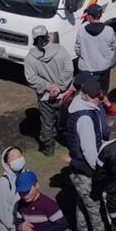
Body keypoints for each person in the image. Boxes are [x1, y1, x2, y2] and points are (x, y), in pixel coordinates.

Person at [63, 77, 110, 231]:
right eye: (93, 97)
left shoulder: (81, 108)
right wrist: (99, 169)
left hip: (78, 168)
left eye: (98, 96)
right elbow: (89, 150)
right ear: (83, 95)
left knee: (82, 204)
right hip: (87, 169)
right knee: (94, 207)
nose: (96, 99)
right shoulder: (85, 117)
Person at [23, 26, 72, 157]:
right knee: (69, 120)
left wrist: (47, 87)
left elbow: (31, 78)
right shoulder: (61, 51)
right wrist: (59, 87)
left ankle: (49, 150)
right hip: (65, 95)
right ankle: (72, 145)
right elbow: (69, 71)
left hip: (45, 98)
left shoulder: (30, 58)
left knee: (47, 123)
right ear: (48, 36)